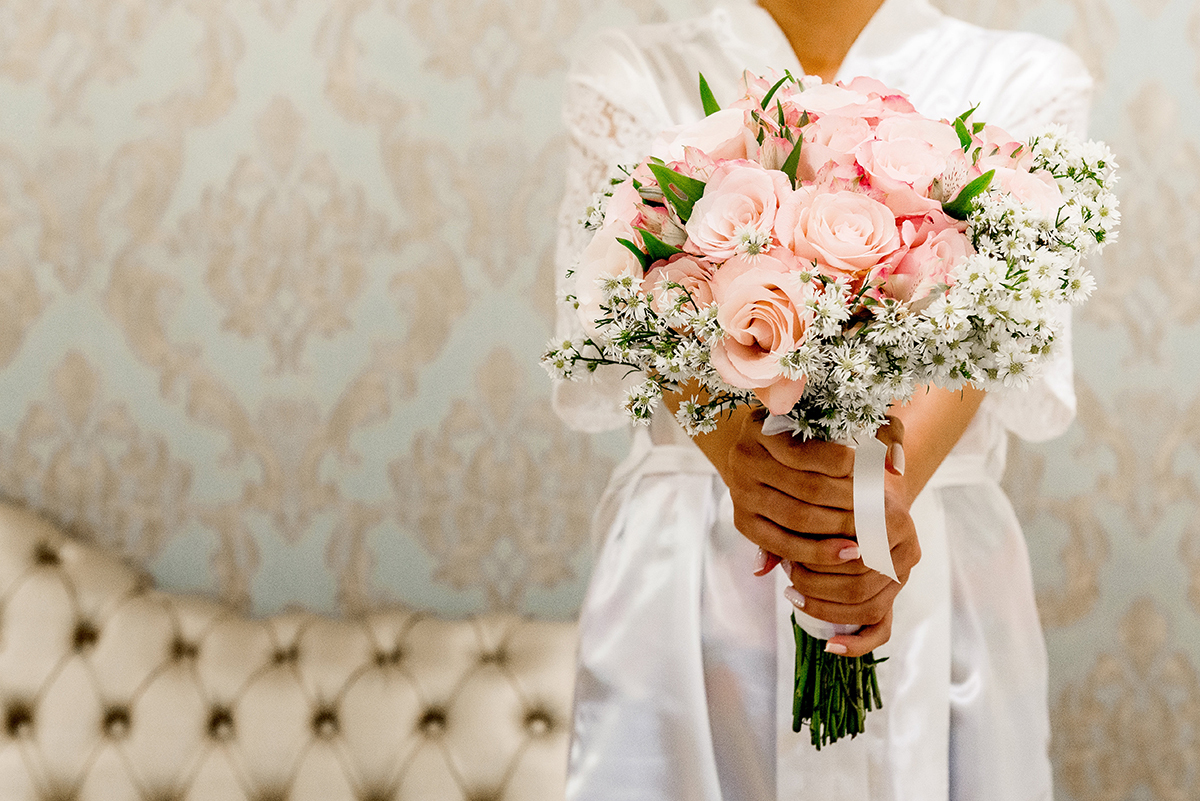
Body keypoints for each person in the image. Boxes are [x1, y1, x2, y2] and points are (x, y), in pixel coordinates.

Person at [552, 1, 1092, 799]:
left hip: (929, 553)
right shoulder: (630, 69)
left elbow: (998, 332)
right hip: (695, 568)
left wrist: (877, 503)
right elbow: (618, 304)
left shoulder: (1025, 78)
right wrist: (748, 461)